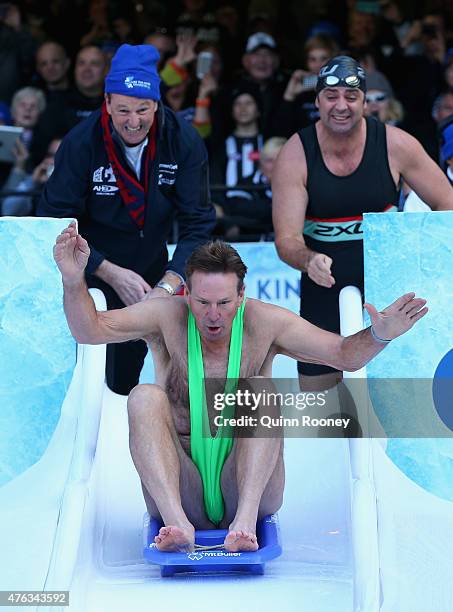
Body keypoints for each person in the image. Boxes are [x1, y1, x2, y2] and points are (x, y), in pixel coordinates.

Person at [54, 223, 428, 552]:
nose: (213, 314)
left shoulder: (267, 321)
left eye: (223, 302)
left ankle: (245, 525)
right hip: (181, 488)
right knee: (144, 397)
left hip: (249, 488)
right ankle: (177, 525)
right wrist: (74, 280)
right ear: (186, 295)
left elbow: (344, 355)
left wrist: (380, 334)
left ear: (242, 295)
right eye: (202, 302)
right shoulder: (165, 316)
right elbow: (90, 330)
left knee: (260, 389)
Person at [38, 44, 215, 395]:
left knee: (129, 382)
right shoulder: (81, 143)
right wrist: (106, 270)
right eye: (122, 110)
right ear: (106, 103)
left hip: (154, 274)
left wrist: (168, 285)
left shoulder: (182, 140)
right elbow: (54, 219)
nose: (133, 122)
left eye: (142, 109)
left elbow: (199, 223)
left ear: (156, 104)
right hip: (92, 270)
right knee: (87, 383)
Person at [272, 55, 453, 390]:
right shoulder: (296, 153)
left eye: (351, 97)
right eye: (331, 96)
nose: (341, 106)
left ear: (365, 102)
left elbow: (447, 203)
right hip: (323, 281)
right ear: (317, 101)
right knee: (320, 400)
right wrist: (308, 259)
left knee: (398, 390)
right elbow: (287, 239)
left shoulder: (396, 144)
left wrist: (422, 250)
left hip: (388, 278)